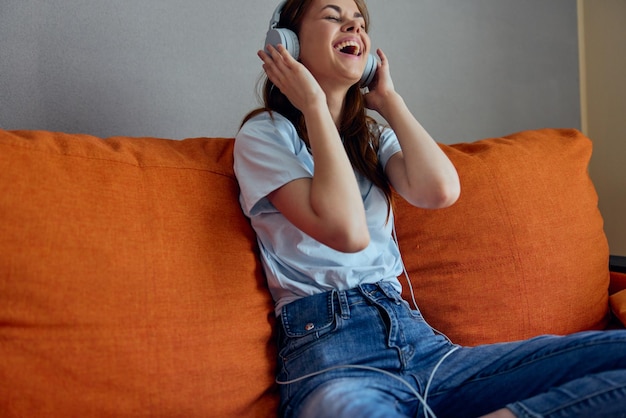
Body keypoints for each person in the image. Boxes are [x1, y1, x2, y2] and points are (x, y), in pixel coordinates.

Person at [233, 0, 626, 416]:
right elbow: (347, 233)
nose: (353, 24)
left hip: (428, 352)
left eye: (360, 21)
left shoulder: (369, 139)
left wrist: (389, 101)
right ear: (287, 44)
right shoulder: (265, 135)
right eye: (333, 15)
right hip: (335, 363)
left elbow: (440, 191)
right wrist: (313, 105)